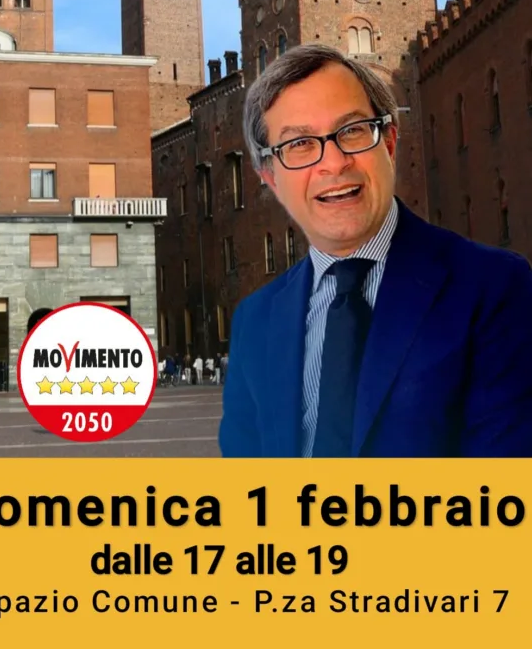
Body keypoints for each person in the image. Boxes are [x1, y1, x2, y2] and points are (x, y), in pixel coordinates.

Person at [219, 43, 532, 458]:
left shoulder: (493, 288)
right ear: (270, 177)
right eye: (300, 144)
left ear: (389, 143)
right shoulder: (254, 321)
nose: (334, 163)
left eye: (352, 131)